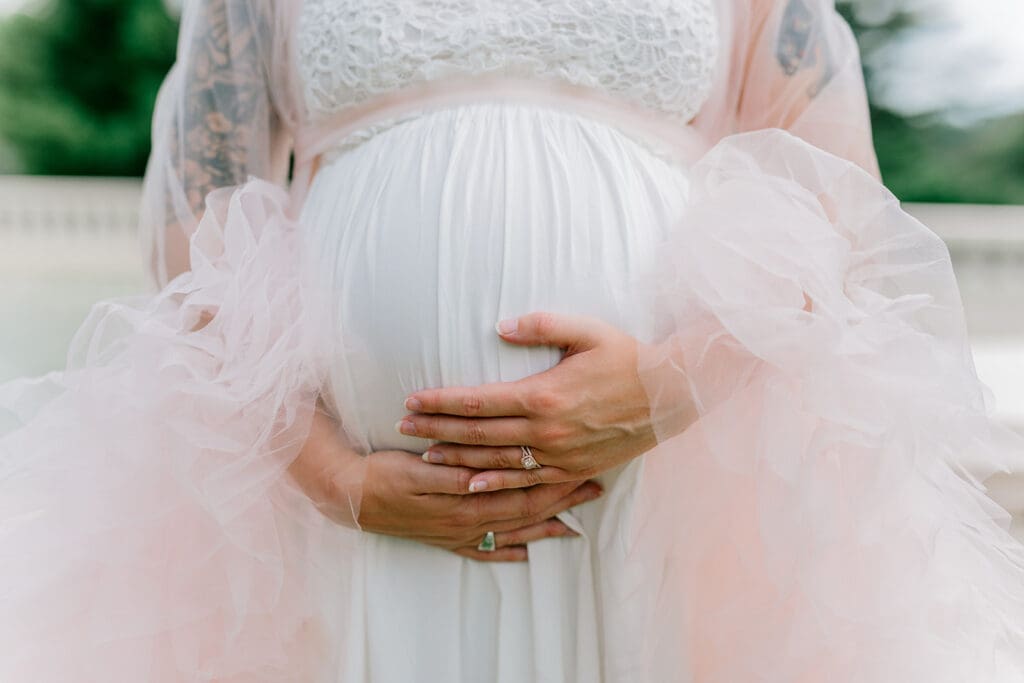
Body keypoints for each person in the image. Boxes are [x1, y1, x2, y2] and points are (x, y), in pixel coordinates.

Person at [2, 0, 1024, 681]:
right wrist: (328, 473)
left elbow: (832, 207)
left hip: (655, 496)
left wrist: (666, 388)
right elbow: (202, 211)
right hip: (349, 518)